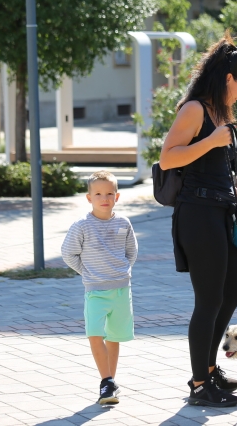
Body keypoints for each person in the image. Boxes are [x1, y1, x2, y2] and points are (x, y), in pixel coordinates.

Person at [158, 33, 237, 407]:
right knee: (208, 300)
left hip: (223, 210)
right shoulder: (195, 110)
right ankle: (199, 383)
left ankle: (209, 367)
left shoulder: (221, 114)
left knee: (233, 291)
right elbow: (167, 158)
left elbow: (221, 171)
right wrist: (211, 141)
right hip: (198, 215)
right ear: (227, 78)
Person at [61, 171, 138, 405]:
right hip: (95, 292)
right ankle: (106, 381)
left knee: (114, 337)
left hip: (121, 291)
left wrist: (120, 271)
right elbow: (68, 254)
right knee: (95, 334)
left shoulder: (123, 223)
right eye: (98, 194)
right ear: (88, 198)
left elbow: (131, 252)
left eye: (109, 193)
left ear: (117, 196)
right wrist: (89, 273)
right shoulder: (82, 226)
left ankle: (110, 383)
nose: (104, 198)